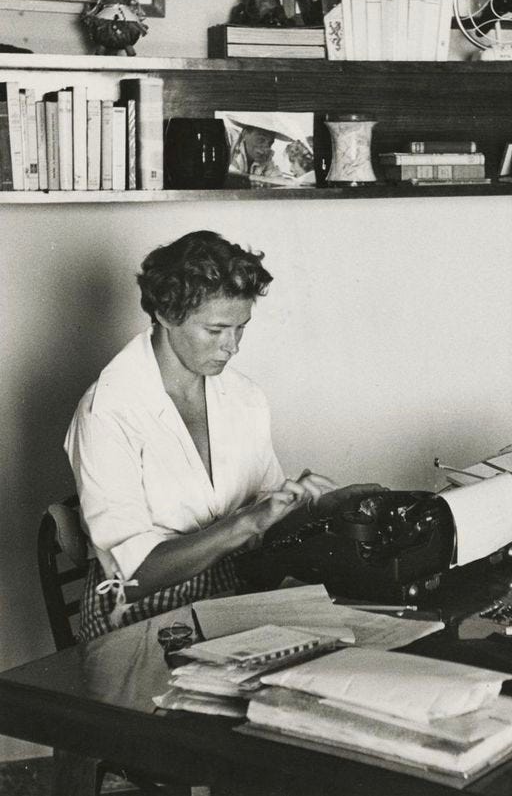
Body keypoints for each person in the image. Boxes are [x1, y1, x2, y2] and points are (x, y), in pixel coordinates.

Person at [65, 230, 376, 640]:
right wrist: (244, 523)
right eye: (215, 330)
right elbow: (133, 579)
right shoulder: (107, 410)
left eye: (240, 328)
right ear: (165, 314)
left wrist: (317, 508)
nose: (232, 346)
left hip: (232, 598)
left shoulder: (245, 396)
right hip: (137, 618)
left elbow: (265, 530)